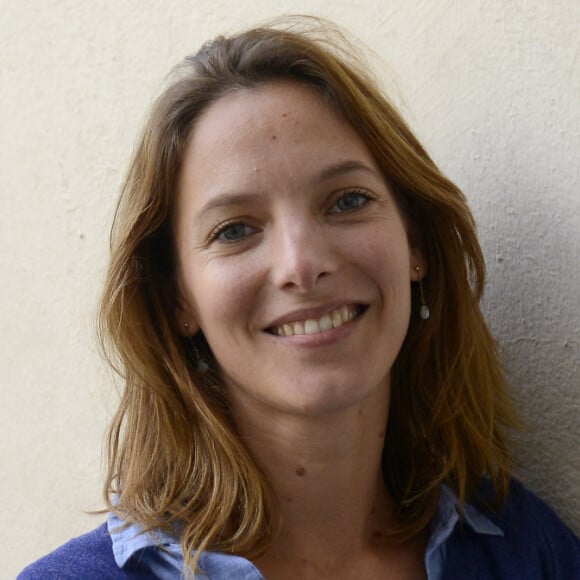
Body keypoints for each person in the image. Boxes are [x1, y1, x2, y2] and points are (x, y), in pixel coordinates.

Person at [19, 17, 579, 580]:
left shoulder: (527, 554)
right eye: (235, 230)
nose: (302, 265)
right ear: (177, 301)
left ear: (416, 242)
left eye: (346, 201)